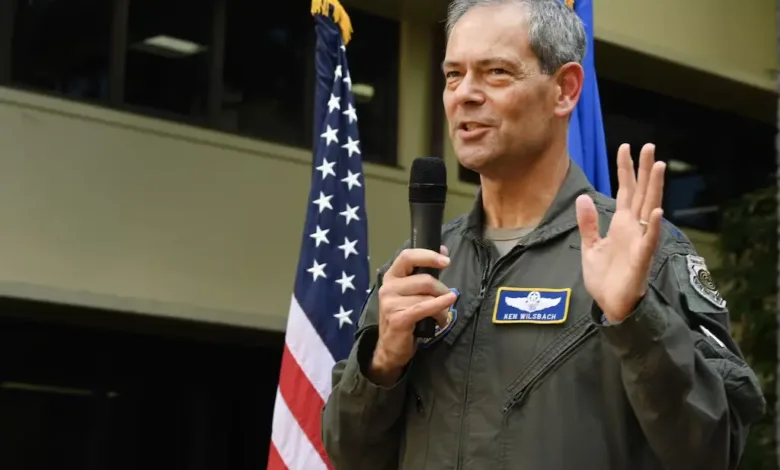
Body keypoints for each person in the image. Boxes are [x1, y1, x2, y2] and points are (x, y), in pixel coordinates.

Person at [321, 0, 766, 468]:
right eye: (454, 75)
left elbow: (715, 449)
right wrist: (382, 361)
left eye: (495, 72)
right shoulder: (416, 268)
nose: (464, 94)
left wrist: (636, 318)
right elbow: (348, 452)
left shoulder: (644, 253)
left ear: (565, 90)